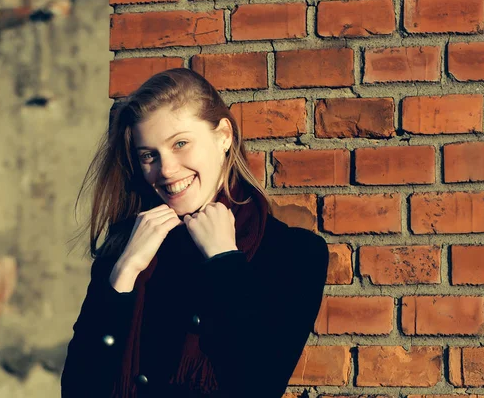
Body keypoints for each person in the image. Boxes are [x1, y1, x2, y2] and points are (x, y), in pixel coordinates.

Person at [61, 68, 329, 398]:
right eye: (149, 156)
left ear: (223, 137)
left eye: (181, 143)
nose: (167, 170)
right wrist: (123, 275)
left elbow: (259, 383)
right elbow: (77, 389)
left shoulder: (294, 253)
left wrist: (224, 262)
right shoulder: (125, 247)